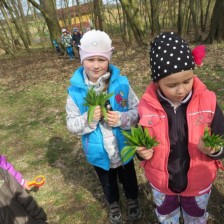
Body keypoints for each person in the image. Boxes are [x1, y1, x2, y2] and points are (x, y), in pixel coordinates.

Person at [137, 31, 224, 224]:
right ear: (157, 82)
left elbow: (222, 137)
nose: (181, 89)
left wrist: (215, 149)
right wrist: (141, 152)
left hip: (198, 181)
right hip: (162, 182)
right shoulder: (145, 107)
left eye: (187, 81)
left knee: (195, 215)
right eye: (172, 84)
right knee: (167, 215)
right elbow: (139, 140)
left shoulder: (208, 102)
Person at [66, 29, 141, 223]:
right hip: (99, 153)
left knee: (129, 179)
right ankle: (113, 202)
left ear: (109, 59)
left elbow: (138, 110)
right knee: (108, 183)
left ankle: (133, 199)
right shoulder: (75, 93)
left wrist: (122, 118)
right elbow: (71, 124)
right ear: (82, 59)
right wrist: (88, 119)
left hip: (123, 146)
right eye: (90, 59)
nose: (96, 65)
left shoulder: (122, 84)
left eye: (101, 59)